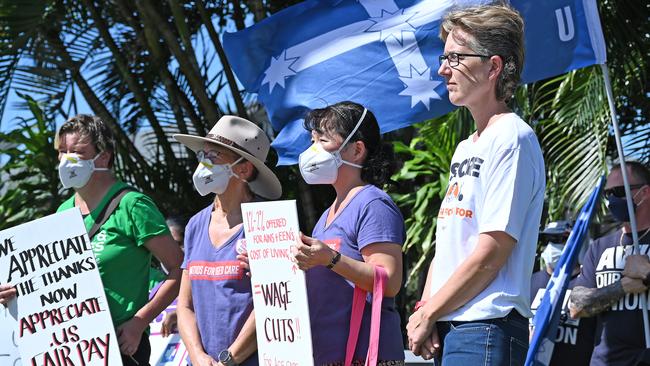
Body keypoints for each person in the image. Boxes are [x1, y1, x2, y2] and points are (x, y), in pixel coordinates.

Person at [405, 4, 546, 365]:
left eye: (455, 57)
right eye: (444, 57)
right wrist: (426, 308)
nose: (442, 69)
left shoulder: (513, 138)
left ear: (494, 66)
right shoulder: (465, 147)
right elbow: (449, 244)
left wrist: (429, 312)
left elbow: (492, 250)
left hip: (486, 327)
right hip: (451, 324)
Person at [0, 114, 184, 366]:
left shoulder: (133, 205)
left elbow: (179, 269)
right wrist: (15, 291)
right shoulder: (63, 212)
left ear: (104, 156)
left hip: (122, 345)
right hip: (74, 348)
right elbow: (52, 280)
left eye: (77, 151)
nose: (66, 160)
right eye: (62, 151)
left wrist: (139, 321)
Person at [291, 101, 405, 365]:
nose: (312, 150)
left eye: (323, 140)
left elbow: (388, 281)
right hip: (333, 355)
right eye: (312, 140)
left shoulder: (373, 204)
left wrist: (330, 258)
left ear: (356, 150)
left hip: (366, 356)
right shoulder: (328, 214)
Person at [174, 115, 282, 366]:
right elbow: (185, 305)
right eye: (202, 155)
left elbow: (275, 303)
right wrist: (197, 356)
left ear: (244, 169)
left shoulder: (269, 223)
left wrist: (228, 360)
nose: (203, 164)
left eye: (213, 157)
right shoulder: (195, 225)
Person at [569, 161, 650, 366]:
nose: (612, 200)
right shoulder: (599, 247)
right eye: (608, 194)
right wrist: (623, 286)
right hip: (606, 361)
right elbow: (576, 306)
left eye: (619, 191)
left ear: (645, 192)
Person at [529, 221, 596, 366]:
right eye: (549, 240)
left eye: (560, 239)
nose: (553, 246)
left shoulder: (587, 283)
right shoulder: (531, 281)